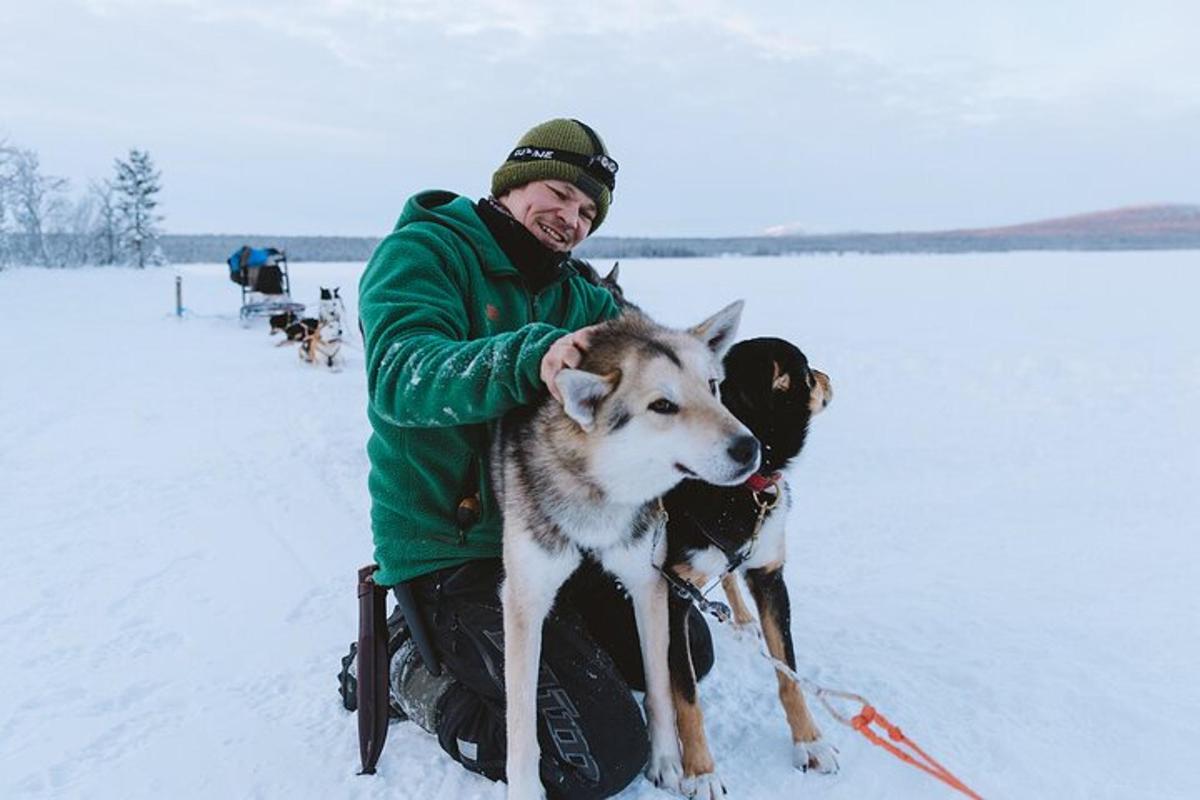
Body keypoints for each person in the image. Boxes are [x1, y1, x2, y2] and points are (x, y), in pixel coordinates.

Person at [353, 119, 714, 799]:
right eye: (559, 193)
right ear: (514, 183)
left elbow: (658, 359)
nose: (571, 220)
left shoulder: (578, 291)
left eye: (587, 213)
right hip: (454, 546)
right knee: (598, 757)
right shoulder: (425, 253)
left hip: (559, 534)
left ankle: (543, 645)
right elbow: (401, 375)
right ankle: (410, 670)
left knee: (684, 652)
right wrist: (531, 357)